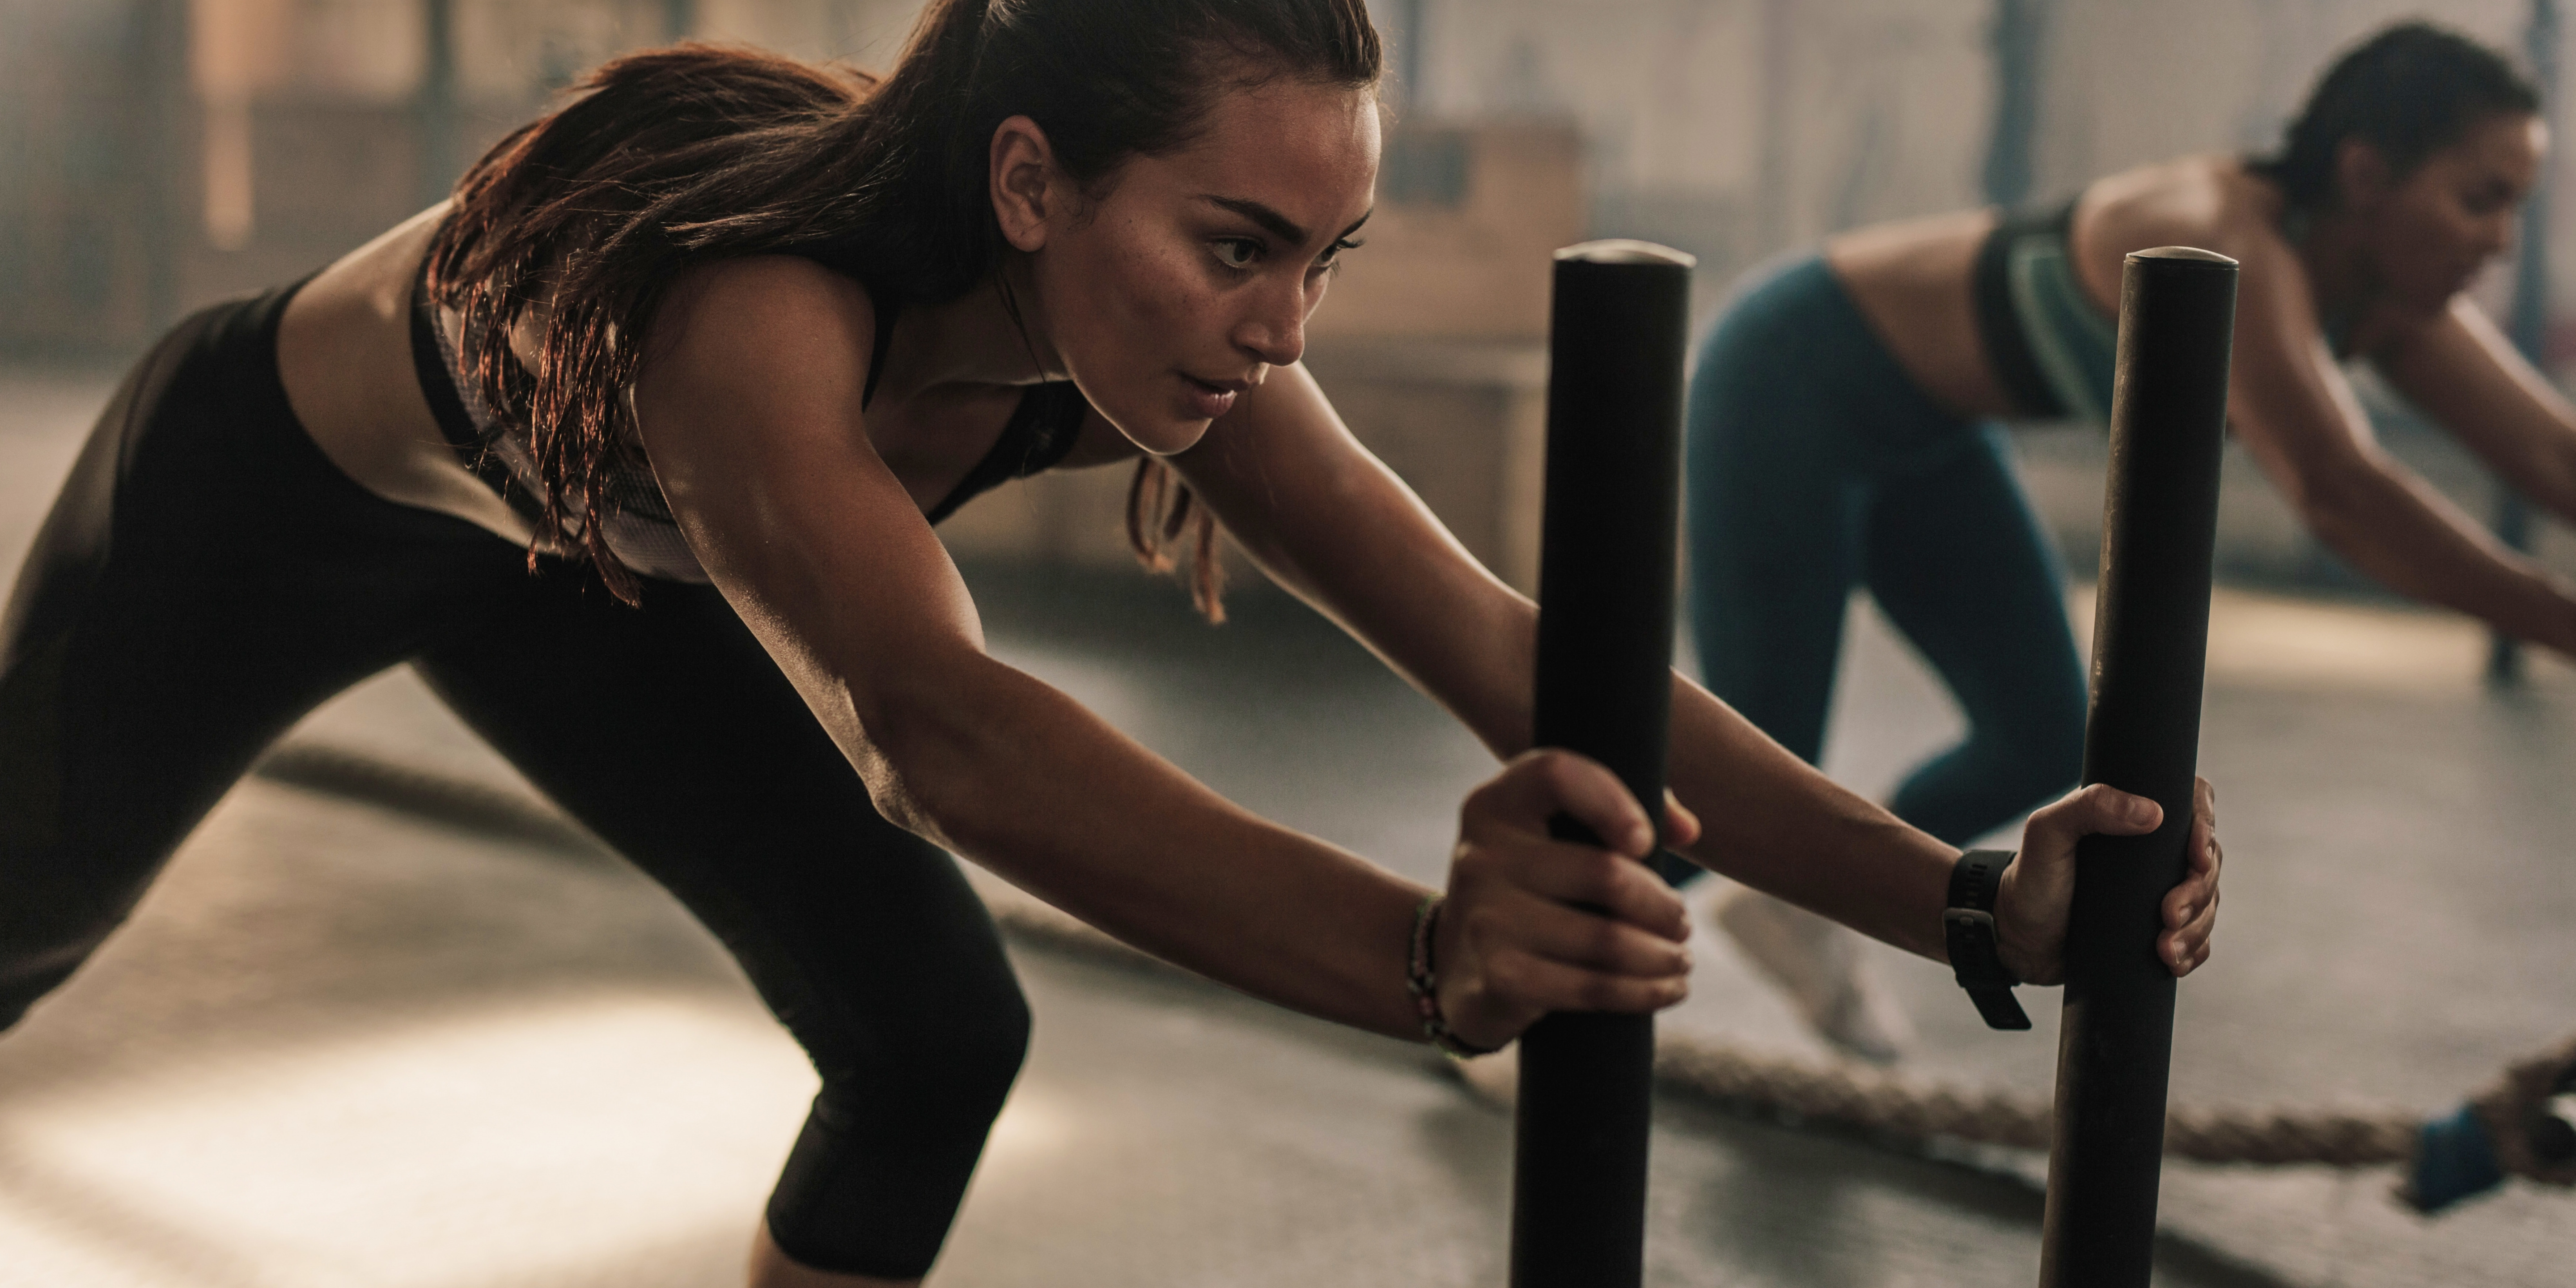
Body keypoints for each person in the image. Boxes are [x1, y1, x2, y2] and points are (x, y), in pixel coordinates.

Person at [0, 2, 2222, 1284]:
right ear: (1034, 183)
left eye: (1325, 256)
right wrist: (1430, 966)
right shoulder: (755, 314)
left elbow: (1506, 638)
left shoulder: (1182, 344)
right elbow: (941, 723)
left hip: (610, 569)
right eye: (1240, 242)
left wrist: (1952, 895)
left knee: (932, 1030)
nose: (1281, 323)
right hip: (270, 504)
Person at [1682, 20, 2558, 1063]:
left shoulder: (2385, 298)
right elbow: (2340, 491)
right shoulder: (2222, 228)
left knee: (2046, 736)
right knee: (1747, 775)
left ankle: (1813, 902)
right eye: (2480, 199)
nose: (2501, 241)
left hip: (1930, 438)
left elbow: (2556, 458)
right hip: (1789, 381)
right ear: (2367, 174)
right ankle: (1537, 997)